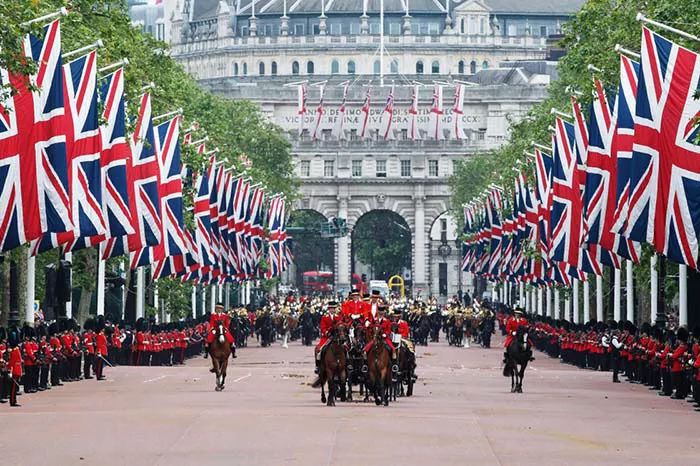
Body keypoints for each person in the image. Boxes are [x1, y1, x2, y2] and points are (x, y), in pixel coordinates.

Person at [314, 301, 343, 374]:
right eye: (330, 308)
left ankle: (347, 364)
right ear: (328, 309)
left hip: (337, 337)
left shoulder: (338, 317)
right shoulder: (324, 317)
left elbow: (341, 326)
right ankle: (318, 366)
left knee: (346, 349)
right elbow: (322, 327)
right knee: (319, 350)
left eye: (333, 308)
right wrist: (326, 332)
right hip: (327, 337)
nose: (332, 310)